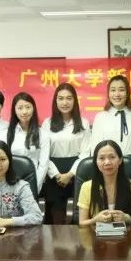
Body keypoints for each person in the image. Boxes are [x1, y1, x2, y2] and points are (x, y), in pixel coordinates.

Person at [41, 83, 91, 224]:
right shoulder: (47, 123)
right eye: (61, 98)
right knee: (56, 218)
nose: (65, 102)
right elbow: (44, 154)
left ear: (75, 100)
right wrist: (57, 175)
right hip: (53, 173)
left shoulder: (84, 123)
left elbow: (85, 152)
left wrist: (70, 174)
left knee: (76, 215)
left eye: (69, 98)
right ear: (55, 101)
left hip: (77, 173)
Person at [90, 75, 131, 174]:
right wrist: (99, 167)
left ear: (127, 93)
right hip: (107, 166)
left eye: (121, 90)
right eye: (113, 90)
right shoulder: (100, 117)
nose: (117, 94)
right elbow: (95, 146)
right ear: (108, 93)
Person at [78, 140, 131, 226]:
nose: (107, 162)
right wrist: (95, 220)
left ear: (120, 160)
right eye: (102, 158)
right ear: (96, 162)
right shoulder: (86, 187)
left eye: (112, 157)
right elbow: (82, 222)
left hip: (126, 233)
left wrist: (128, 219)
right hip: (95, 233)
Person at [7, 92, 49, 192]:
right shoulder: (7, 133)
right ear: (14, 110)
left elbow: (43, 164)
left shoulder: (43, 134)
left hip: (33, 181)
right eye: (20, 108)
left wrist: (35, 186)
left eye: (28, 107)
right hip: (11, 182)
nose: (24, 111)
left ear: (33, 108)